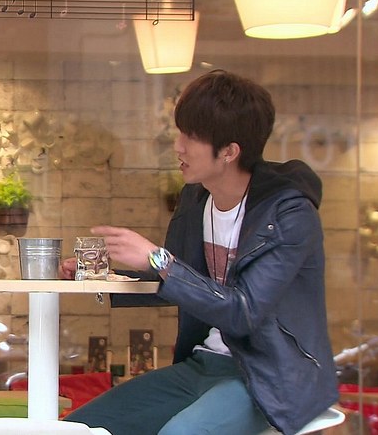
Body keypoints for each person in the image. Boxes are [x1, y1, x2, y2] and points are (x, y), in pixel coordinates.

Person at [61, 70, 338, 435]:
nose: (178, 146)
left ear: (229, 152)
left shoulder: (288, 214)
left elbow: (243, 311)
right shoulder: (196, 198)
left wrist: (158, 259)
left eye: (191, 137)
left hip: (268, 377)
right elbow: (185, 285)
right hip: (203, 364)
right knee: (78, 428)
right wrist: (106, 278)